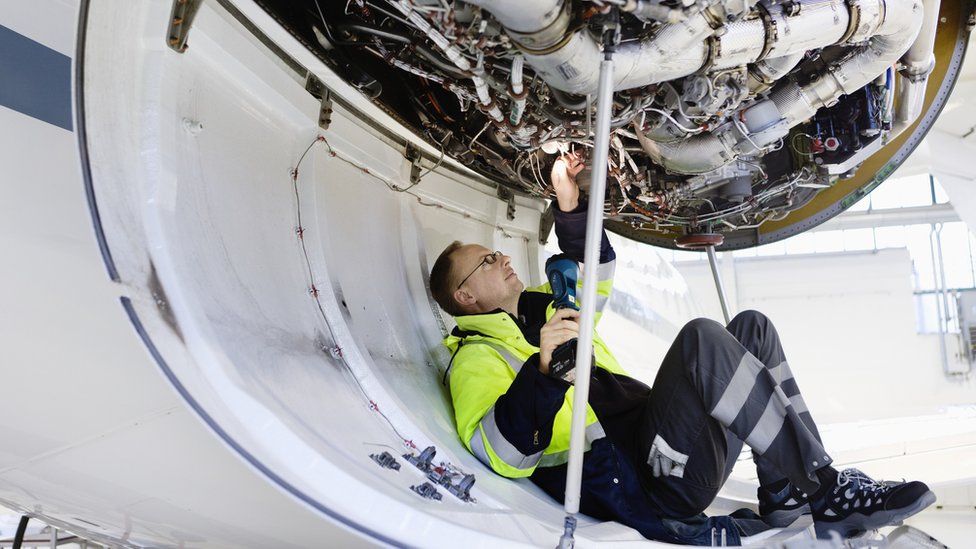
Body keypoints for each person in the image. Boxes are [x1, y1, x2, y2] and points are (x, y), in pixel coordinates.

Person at [428, 152, 935, 545]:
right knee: (700, 339)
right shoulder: (474, 358)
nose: (503, 259)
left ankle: (783, 492)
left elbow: (596, 269)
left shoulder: (546, 307)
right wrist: (542, 373)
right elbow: (500, 455)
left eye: (497, 252)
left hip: (665, 441)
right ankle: (823, 487)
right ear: (465, 296)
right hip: (645, 480)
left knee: (750, 328)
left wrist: (568, 200)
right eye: (488, 260)